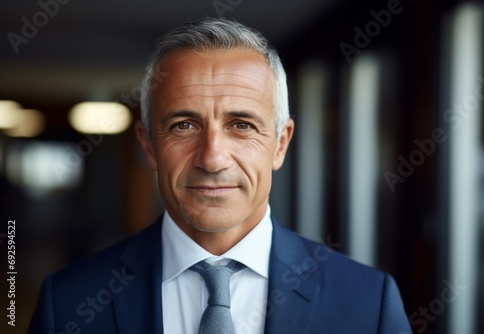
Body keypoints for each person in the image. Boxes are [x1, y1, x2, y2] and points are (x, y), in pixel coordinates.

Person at [29, 18, 411, 333]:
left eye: (242, 125)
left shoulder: (367, 302)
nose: (212, 159)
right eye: (183, 125)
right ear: (148, 146)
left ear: (280, 144)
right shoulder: (66, 302)